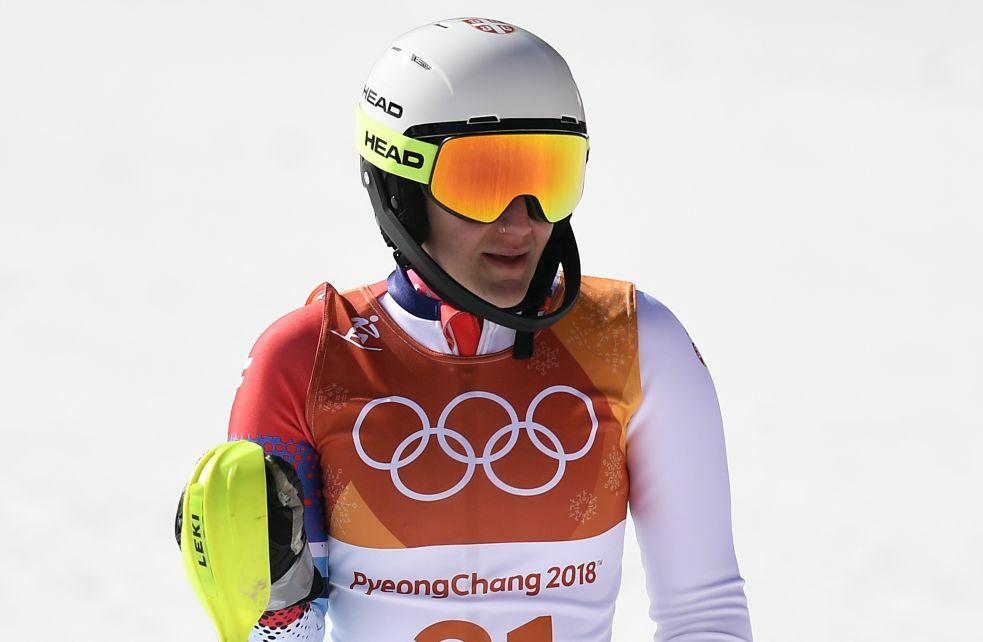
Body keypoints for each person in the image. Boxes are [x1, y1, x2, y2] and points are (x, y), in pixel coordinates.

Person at [222, 17, 753, 642]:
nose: (521, 223)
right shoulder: (306, 362)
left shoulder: (635, 343)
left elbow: (704, 614)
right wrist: (278, 611)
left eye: (549, 178)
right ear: (402, 187)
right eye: (482, 181)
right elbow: (277, 630)